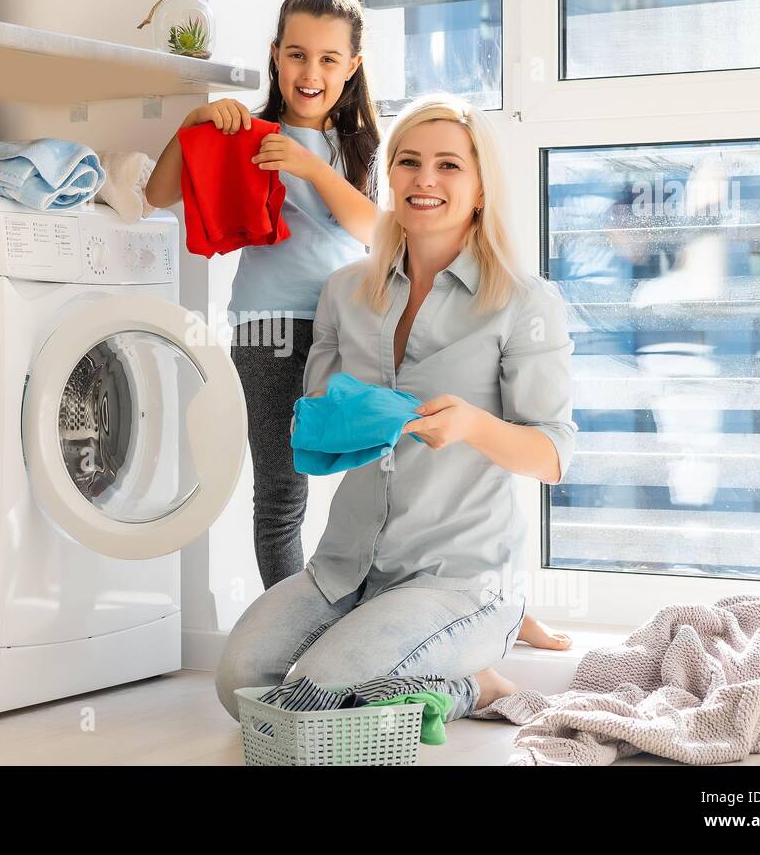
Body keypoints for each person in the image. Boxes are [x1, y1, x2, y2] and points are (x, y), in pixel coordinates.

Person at [214, 93, 579, 724]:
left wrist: (471, 424)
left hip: (457, 580)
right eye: (408, 162)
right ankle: (419, 661)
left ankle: (473, 685)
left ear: (482, 186)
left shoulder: (524, 302)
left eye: (449, 166)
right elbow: (321, 428)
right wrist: (343, 418)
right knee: (240, 683)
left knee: (316, 697)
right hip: (346, 569)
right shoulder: (344, 292)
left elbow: (551, 456)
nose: (425, 180)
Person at [145, 0, 380, 591]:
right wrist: (194, 124)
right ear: (275, 56)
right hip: (267, 328)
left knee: (382, 469)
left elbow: (377, 231)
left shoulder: (361, 149)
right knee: (280, 492)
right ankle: (287, 632)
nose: (312, 72)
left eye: (330, 59)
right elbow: (158, 191)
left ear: (351, 67)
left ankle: (363, 612)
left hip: (349, 325)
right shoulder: (250, 134)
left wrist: (313, 171)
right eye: (298, 55)